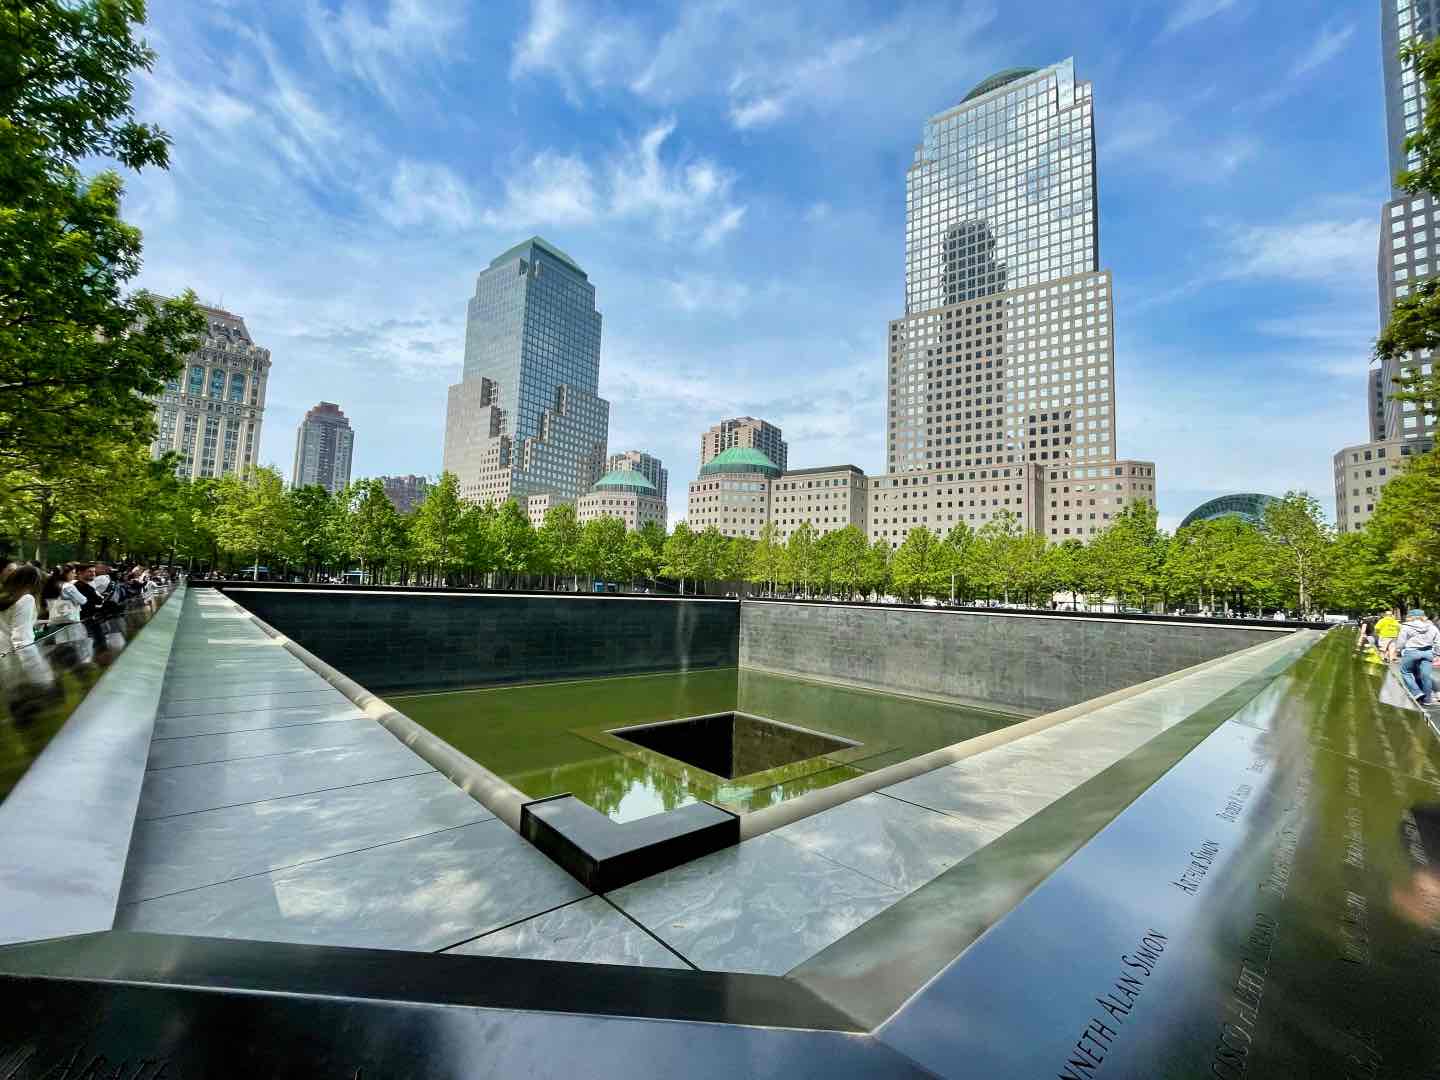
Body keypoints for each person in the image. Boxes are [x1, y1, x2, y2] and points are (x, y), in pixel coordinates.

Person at [1395, 608, 1437, 707]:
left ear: (1411, 617)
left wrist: (1398, 650)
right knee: (1425, 676)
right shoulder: (1432, 627)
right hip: (1427, 652)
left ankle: (1417, 692)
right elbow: (1438, 641)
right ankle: (1427, 699)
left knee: (1406, 672)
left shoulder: (1406, 627)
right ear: (1423, 617)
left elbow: (1401, 641)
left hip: (1411, 652)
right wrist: (1437, 654)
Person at [0, 564, 45, 650]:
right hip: (14, 653)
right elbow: (22, 639)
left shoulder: (6, 597)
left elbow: (9, 622)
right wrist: (34, 662)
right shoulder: (26, 599)